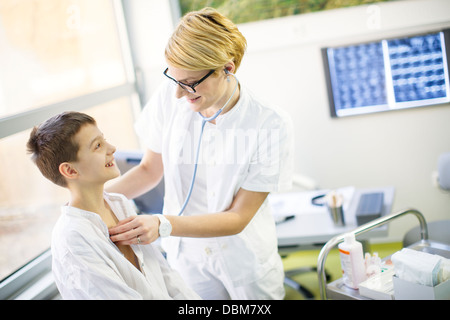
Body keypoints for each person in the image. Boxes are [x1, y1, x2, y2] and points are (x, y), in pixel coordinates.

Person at [108, 7, 293, 300]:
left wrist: (163, 224)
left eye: (191, 83)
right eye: (175, 80)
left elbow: (237, 217)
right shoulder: (170, 98)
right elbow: (148, 171)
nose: (180, 94)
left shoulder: (269, 123)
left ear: (227, 69)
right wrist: (91, 197)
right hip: (187, 257)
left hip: (243, 258)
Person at [26, 111, 200, 300]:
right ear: (70, 170)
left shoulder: (120, 204)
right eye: (98, 146)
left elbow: (164, 274)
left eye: (104, 140)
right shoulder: (72, 239)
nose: (112, 148)